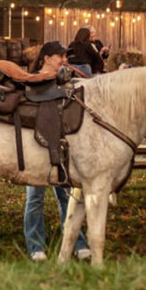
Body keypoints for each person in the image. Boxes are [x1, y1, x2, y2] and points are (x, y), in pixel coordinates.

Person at [22, 41, 89, 261]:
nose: (64, 60)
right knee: (35, 197)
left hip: (61, 147)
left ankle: (76, 242)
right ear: (47, 58)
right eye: (60, 56)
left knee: (66, 195)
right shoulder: (33, 82)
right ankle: (35, 246)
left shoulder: (65, 83)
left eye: (64, 57)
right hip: (35, 148)